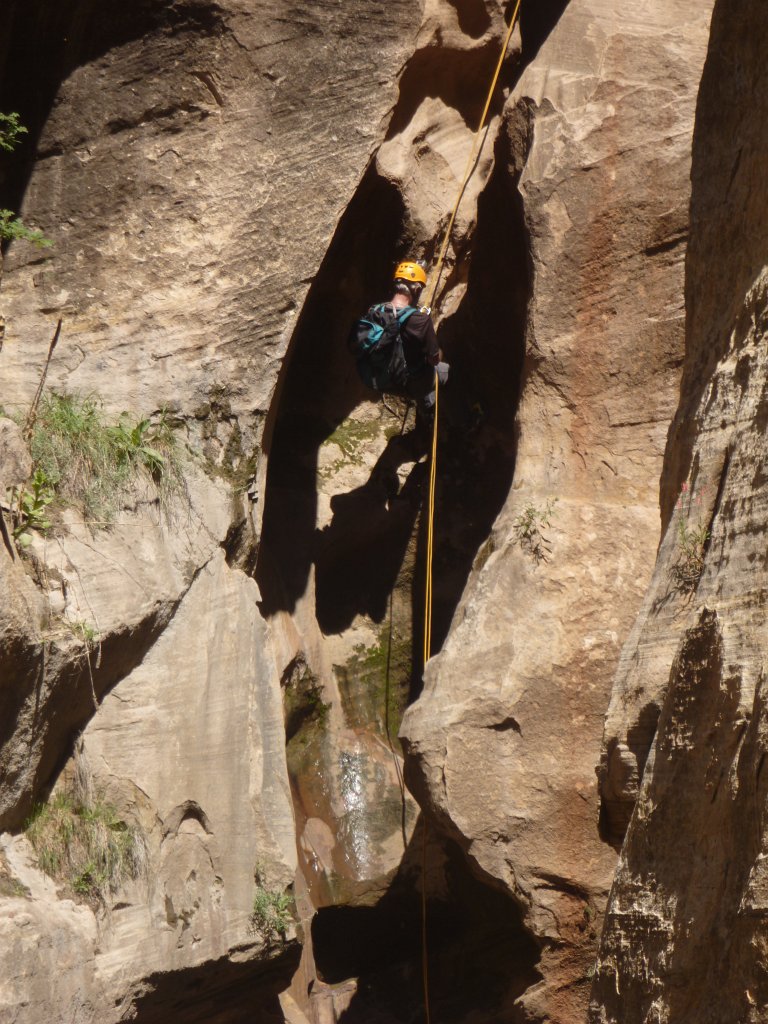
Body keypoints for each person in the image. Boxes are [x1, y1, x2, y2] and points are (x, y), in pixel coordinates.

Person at [354, 260, 449, 428]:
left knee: (418, 370)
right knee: (443, 370)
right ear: (417, 289)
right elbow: (434, 359)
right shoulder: (420, 320)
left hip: (375, 380)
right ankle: (431, 411)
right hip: (406, 384)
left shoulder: (375, 311)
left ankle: (426, 405)